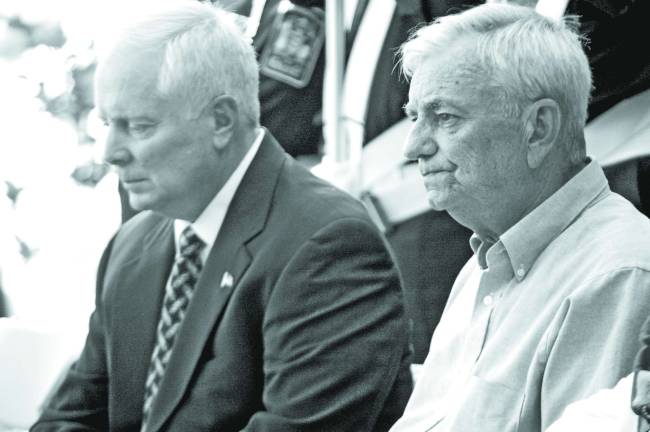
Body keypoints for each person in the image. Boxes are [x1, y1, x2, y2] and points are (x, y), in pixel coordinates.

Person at [30, 2, 413, 431]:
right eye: (107, 124)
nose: (109, 152)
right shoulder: (133, 245)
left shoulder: (329, 246)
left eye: (138, 126)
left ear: (221, 120)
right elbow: (68, 418)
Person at [389, 3, 650, 431]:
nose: (412, 146)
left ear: (539, 128)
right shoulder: (485, 263)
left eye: (444, 117)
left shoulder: (617, 275)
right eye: (415, 118)